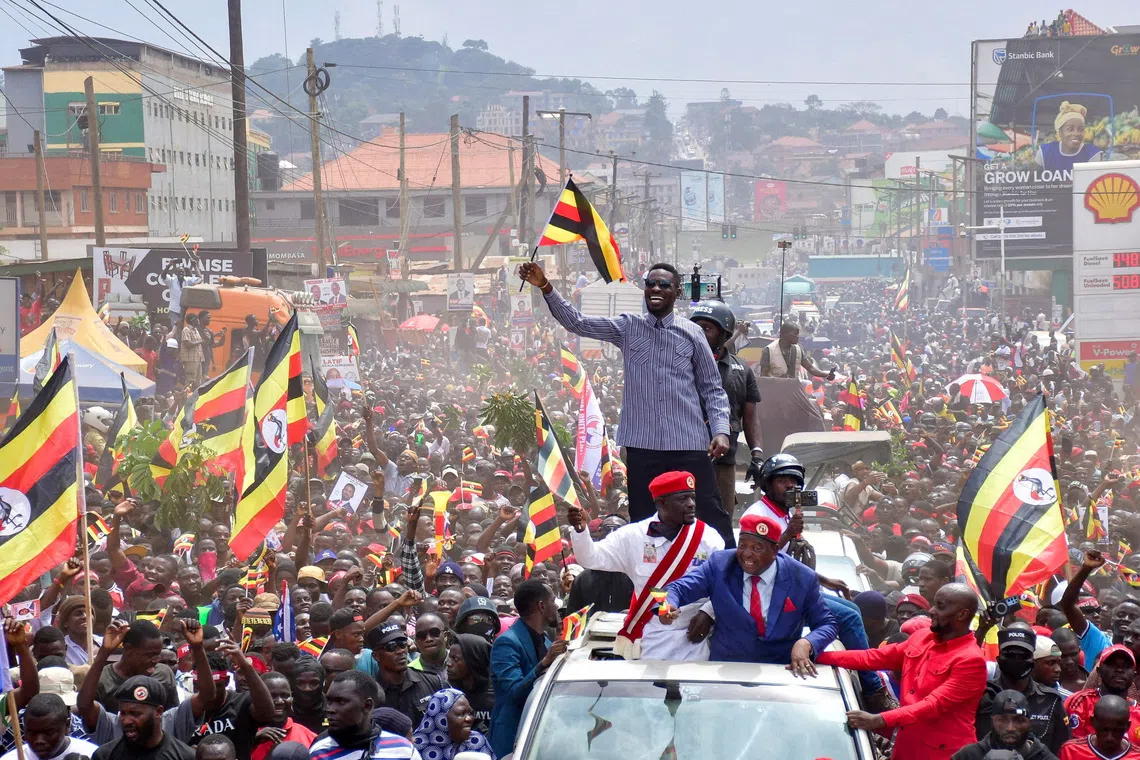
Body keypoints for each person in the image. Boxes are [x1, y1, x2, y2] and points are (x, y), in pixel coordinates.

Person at [517, 260, 734, 545]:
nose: (656, 289)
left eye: (664, 285)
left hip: (689, 444)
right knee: (645, 519)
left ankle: (733, 574)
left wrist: (720, 430)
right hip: (643, 445)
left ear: (676, 291)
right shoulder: (627, 327)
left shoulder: (692, 334)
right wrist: (545, 286)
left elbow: (712, 388)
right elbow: (577, 322)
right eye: (650, 284)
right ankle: (647, 582)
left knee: (709, 514)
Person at [814, 583, 988, 760]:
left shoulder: (971, 660)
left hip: (944, 754)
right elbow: (873, 658)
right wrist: (814, 654)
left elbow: (932, 706)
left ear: (962, 614)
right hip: (905, 749)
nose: (932, 611)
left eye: (940, 606)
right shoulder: (922, 637)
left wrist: (879, 719)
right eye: (934, 604)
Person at [566, 471, 724, 660]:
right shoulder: (632, 536)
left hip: (696, 636)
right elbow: (591, 558)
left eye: (692, 497)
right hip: (651, 639)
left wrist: (708, 612)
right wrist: (580, 531)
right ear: (661, 502)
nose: (691, 504)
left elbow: (725, 585)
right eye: (683, 499)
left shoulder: (710, 538)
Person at [662, 513, 836, 667]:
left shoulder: (802, 578)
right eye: (742, 545)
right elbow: (678, 588)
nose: (746, 554)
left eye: (756, 548)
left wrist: (806, 643)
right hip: (728, 672)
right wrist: (668, 605)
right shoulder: (720, 565)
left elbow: (827, 624)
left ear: (775, 550)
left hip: (779, 674)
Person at [690, 300, 763, 517]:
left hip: (724, 463)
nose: (700, 333)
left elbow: (750, 418)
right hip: (685, 458)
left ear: (724, 334)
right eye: (697, 328)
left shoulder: (742, 370)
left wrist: (757, 455)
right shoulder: (679, 365)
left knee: (721, 523)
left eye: (707, 328)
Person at [488, 580, 566, 758]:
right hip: (512, 740)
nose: (556, 607)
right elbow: (515, 692)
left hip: (543, 739)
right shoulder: (506, 643)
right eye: (553, 601)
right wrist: (544, 663)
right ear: (541, 606)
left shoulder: (545, 641)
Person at [976, 628, 1069, 756]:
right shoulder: (983, 696)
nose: (1016, 660)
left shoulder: (1050, 700)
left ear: (1032, 660)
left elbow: (1061, 746)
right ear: (999, 659)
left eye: (1023, 655)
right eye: (1010, 654)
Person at [306, 670, 421, 760]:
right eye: (329, 701)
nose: (330, 709)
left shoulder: (402, 749)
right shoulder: (318, 752)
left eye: (341, 702)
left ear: (367, 706)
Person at [91, 675, 195, 760]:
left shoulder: (184, 756)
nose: (126, 721)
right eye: (123, 713)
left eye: (135, 714)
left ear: (158, 712)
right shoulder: (104, 756)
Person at [362, 621, 443, 727]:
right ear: (376, 656)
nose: (400, 651)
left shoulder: (433, 681)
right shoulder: (370, 694)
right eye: (391, 647)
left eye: (402, 644)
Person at [953, 690, 1059, 760]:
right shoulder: (969, 756)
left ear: (1029, 723)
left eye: (1019, 720)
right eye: (1002, 720)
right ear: (992, 721)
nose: (1010, 728)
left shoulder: (1045, 758)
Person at [1063, 645, 1140, 740]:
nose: (1119, 670)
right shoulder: (1080, 703)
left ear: (1134, 675)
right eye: (1112, 664)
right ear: (1099, 671)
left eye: (1126, 666)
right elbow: (1071, 748)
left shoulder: (1138, 713)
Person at [0, 694, 100, 760]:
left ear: (67, 725)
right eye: (32, 733)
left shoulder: (92, 755)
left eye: (48, 733)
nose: (39, 740)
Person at [412, 688, 495, 760]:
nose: (469, 719)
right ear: (441, 717)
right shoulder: (415, 749)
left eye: (470, 713)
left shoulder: (477, 742)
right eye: (461, 714)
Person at [251, 673, 317, 760]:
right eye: (271, 696)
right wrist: (253, 741)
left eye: (285, 696)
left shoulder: (309, 737)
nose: (279, 701)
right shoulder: (244, 736)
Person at [1059, 695, 1140, 760]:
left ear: (1127, 726)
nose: (1109, 738)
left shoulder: (1137, 756)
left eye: (1116, 731)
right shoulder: (1071, 751)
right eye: (1104, 730)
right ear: (1093, 722)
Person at [1034, 101, 1104, 171]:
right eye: (1070, 129)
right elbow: (1032, 179)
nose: (1076, 133)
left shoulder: (1092, 153)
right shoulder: (1045, 152)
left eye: (1081, 129)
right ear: (1060, 132)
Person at [447, 634, 495, 736]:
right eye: (449, 657)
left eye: (455, 659)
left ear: (473, 661)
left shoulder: (496, 695)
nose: (449, 664)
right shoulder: (450, 693)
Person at [758, 321, 835, 381]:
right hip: (774, 391)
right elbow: (763, 376)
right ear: (785, 334)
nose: (798, 336)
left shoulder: (798, 349)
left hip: (792, 390)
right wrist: (777, 379)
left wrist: (826, 375)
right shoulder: (769, 350)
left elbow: (810, 368)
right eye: (795, 334)